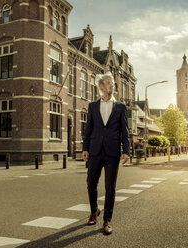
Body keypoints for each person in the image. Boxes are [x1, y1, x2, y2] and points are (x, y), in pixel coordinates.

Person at [82, 71, 130, 235]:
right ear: (102, 86)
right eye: (109, 83)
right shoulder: (92, 106)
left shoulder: (121, 107)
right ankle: (94, 210)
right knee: (90, 183)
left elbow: (125, 130)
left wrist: (126, 151)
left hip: (112, 152)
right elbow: (88, 129)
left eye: (113, 83)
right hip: (95, 150)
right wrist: (85, 148)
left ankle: (107, 220)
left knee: (110, 187)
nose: (112, 85)